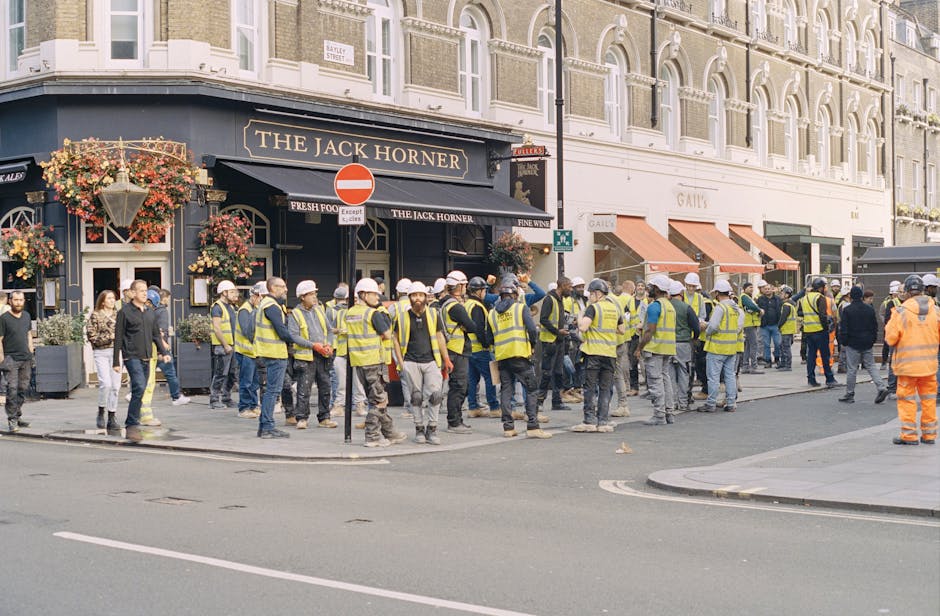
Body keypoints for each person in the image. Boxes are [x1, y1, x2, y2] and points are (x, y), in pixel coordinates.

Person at [484, 283, 552, 439]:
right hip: (520, 355)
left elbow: (489, 338)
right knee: (532, 389)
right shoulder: (520, 308)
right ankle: (533, 426)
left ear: (500, 296)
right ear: (514, 295)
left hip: (502, 357)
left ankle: (508, 428)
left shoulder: (492, 313)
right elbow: (532, 330)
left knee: (506, 391)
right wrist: (532, 345)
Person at [346, 278, 407, 447]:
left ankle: (389, 432)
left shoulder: (350, 312)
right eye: (373, 294)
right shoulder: (372, 313)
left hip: (359, 362)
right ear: (363, 294)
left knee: (379, 399)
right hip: (374, 361)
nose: (377, 298)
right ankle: (372, 436)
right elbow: (388, 334)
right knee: (378, 401)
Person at [392, 281, 452, 445]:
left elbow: (439, 336)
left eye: (420, 295)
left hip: (431, 360)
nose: (417, 298)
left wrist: (445, 358)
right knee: (416, 397)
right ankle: (419, 428)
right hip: (410, 361)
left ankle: (432, 428)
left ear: (426, 297)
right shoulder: (403, 316)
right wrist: (400, 362)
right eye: (414, 295)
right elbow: (395, 339)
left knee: (435, 395)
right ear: (410, 297)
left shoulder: (433, 314)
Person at [112, 281, 171, 442]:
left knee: (141, 389)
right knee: (138, 385)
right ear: (132, 293)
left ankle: (133, 420)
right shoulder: (125, 312)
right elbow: (118, 337)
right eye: (141, 291)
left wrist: (163, 352)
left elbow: (156, 336)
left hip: (147, 357)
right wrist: (116, 361)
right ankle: (131, 425)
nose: (145, 294)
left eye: (145, 291)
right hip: (131, 356)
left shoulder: (150, 312)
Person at [884, 275, 939, 445]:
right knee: (929, 400)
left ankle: (909, 435)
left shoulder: (901, 312)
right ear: (922, 290)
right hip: (929, 365)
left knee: (907, 400)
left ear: (907, 292)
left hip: (907, 366)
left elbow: (891, 339)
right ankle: (929, 435)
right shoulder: (935, 310)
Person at [254, 277, 307, 439]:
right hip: (275, 353)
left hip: (268, 352)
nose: (285, 289)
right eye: (282, 287)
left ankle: (264, 426)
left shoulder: (266, 304)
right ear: (272, 288)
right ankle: (268, 427)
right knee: (273, 391)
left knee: (271, 391)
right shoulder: (272, 306)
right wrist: (299, 341)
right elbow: (282, 331)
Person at [572, 279, 624, 432]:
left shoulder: (592, 308)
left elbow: (583, 327)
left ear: (598, 293)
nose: (589, 297)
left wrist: (580, 316)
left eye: (591, 294)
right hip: (609, 354)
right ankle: (603, 421)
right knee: (605, 388)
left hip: (593, 353)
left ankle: (589, 420)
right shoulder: (614, 309)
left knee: (589, 388)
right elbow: (621, 330)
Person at [287, 280, 335, 430]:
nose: (315, 297)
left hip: (323, 356)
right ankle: (302, 418)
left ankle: (324, 417)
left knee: (325, 386)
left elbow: (329, 330)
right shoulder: (295, 314)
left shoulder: (320, 310)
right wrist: (313, 345)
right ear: (302, 297)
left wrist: (329, 345)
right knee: (304, 388)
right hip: (306, 357)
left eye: (315, 293)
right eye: (311, 294)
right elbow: (294, 336)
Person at [440, 270, 478, 434]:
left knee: (460, 385)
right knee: (459, 386)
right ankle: (454, 422)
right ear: (459, 286)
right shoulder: (455, 306)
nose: (466, 288)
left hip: (452, 349)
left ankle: (456, 420)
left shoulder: (444, 303)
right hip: (457, 349)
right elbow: (472, 326)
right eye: (464, 285)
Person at [636, 275, 677, 425]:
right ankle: (669, 413)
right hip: (667, 348)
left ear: (657, 289)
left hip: (654, 348)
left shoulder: (655, 306)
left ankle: (659, 415)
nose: (648, 289)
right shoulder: (669, 306)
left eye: (651, 287)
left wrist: (639, 347)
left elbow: (650, 331)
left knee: (655, 381)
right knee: (666, 380)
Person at [838, 286, 888, 404]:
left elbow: (844, 328)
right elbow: (874, 326)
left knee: (852, 369)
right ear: (861, 296)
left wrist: (844, 341)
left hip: (852, 343)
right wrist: (872, 340)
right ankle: (881, 387)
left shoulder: (848, 310)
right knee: (871, 366)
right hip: (867, 343)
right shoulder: (869, 309)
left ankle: (850, 394)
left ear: (851, 296)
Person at [701, 280, 744, 413]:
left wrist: (706, 331)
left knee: (713, 377)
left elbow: (713, 326)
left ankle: (711, 403)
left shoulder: (720, 307)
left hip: (717, 348)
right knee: (729, 376)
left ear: (718, 293)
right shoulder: (734, 308)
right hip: (731, 347)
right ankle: (731, 403)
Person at [464, 276, 500, 418]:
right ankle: (494, 407)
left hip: (469, 349)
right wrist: (487, 343)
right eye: (484, 290)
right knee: (491, 377)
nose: (485, 292)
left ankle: (473, 407)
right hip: (480, 349)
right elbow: (479, 329)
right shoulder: (477, 307)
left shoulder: (467, 304)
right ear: (478, 291)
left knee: (473, 379)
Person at [87, 290, 122, 432]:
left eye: (113, 298)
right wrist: (109, 337)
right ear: (102, 301)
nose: (112, 301)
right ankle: (101, 410)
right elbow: (91, 335)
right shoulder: (95, 315)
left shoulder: (118, 315)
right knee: (105, 383)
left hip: (116, 352)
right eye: (109, 298)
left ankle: (112, 415)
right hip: (101, 352)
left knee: (115, 386)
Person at [0, 291, 34, 433]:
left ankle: (18, 416)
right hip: (10, 358)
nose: (18, 302)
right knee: (12, 389)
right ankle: (12, 419)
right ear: (10, 301)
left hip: (25, 358)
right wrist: (2, 358)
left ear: (24, 301)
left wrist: (31, 351)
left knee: (22, 388)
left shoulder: (26, 316)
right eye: (16, 300)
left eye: (21, 300)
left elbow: (28, 334)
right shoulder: (3, 318)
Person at [537, 276, 572, 413]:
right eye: (569, 286)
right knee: (547, 372)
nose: (570, 289)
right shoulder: (549, 299)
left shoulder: (560, 300)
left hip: (559, 341)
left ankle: (557, 401)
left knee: (558, 372)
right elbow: (543, 319)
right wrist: (557, 331)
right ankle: (540, 401)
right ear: (562, 285)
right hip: (550, 341)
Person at [667, 280, 701, 414]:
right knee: (683, 373)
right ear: (681, 293)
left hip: (668, 344)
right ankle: (682, 402)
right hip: (683, 344)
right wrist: (695, 338)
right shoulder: (686, 307)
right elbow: (696, 326)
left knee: (669, 374)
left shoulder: (666, 306)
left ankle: (672, 402)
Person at [798, 277, 839, 388]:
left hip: (808, 331)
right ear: (821, 288)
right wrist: (826, 327)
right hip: (820, 331)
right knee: (825, 356)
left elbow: (800, 313)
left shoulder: (804, 298)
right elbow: (822, 315)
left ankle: (811, 379)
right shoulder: (820, 298)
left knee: (811, 355)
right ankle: (829, 379)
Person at [152, 289, 190, 408]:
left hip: (152, 347)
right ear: (163, 298)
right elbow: (161, 331)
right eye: (167, 298)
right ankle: (176, 396)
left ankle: (132, 393)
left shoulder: (151, 311)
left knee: (145, 372)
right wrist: (164, 345)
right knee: (170, 373)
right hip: (161, 348)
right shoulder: (162, 311)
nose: (168, 300)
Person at [234, 283, 264, 419]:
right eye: (260, 297)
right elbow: (248, 331)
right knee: (246, 381)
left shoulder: (255, 308)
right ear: (253, 296)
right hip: (245, 352)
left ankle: (253, 406)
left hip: (253, 352)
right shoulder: (245, 310)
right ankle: (244, 408)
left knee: (254, 382)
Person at [208, 280, 239, 409]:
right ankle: (214, 399)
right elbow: (217, 328)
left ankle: (227, 397)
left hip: (233, 345)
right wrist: (225, 345)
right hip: (223, 346)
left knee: (232, 373)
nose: (234, 294)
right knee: (220, 373)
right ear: (224, 292)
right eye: (231, 292)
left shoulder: (231, 307)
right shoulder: (217, 307)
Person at [738, 281, 763, 374]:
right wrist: (759, 310)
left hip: (749, 324)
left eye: (752, 287)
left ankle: (745, 366)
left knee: (748, 346)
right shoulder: (744, 297)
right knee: (754, 345)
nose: (751, 289)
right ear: (744, 289)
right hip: (748, 324)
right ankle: (754, 366)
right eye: (749, 287)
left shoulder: (748, 297)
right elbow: (751, 306)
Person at [756, 280, 782, 367]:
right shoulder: (760, 299)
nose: (767, 290)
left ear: (772, 290)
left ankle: (777, 358)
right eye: (766, 289)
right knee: (766, 345)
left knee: (777, 343)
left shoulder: (778, 299)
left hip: (776, 325)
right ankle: (768, 361)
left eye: (769, 289)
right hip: (764, 325)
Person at [880, 281, 902, 369]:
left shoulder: (903, 301)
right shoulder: (886, 302)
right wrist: (886, 324)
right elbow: (882, 314)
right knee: (886, 345)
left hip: (898, 327)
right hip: (889, 327)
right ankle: (884, 362)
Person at [776, 285, 797, 371]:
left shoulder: (786, 305)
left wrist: (779, 326)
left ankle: (787, 365)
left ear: (787, 295)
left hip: (786, 329)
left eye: (782, 293)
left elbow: (783, 318)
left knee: (785, 347)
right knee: (783, 346)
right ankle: (783, 363)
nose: (781, 294)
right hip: (788, 329)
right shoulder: (790, 304)